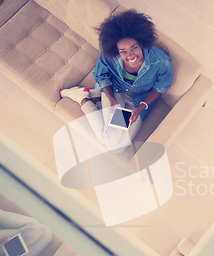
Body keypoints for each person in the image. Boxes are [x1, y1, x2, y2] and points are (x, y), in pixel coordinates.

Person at [60, 9, 172, 153]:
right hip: (115, 93)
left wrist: (141, 107)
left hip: (138, 103)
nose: (130, 55)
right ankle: (83, 100)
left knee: (117, 148)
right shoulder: (109, 55)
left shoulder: (160, 60)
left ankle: (94, 100)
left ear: (141, 44)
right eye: (123, 51)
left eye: (134, 48)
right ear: (117, 51)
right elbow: (101, 76)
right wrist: (112, 100)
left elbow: (161, 87)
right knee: (110, 139)